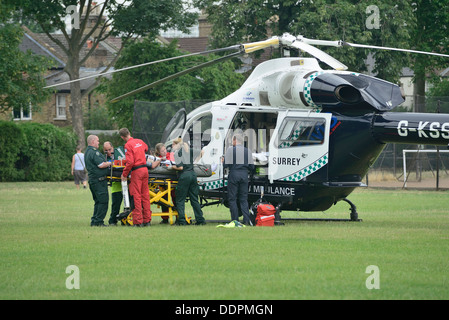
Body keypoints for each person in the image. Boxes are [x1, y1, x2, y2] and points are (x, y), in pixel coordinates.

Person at [119, 128, 151, 227]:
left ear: (122, 137)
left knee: (136, 196)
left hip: (137, 171)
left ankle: (138, 221)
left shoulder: (128, 145)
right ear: (129, 133)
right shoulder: (140, 141)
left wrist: (124, 174)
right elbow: (146, 148)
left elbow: (130, 162)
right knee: (145, 195)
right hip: (145, 170)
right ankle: (147, 220)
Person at [172, 138, 206, 226]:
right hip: (193, 175)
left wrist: (173, 167)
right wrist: (195, 162)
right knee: (194, 199)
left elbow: (180, 168)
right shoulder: (189, 150)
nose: (172, 146)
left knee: (180, 200)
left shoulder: (178, 153)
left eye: (173, 144)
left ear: (177, 144)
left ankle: (182, 221)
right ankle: (200, 220)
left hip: (184, 176)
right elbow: (202, 152)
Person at [223, 131, 254, 225]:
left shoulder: (230, 150)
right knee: (243, 199)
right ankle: (246, 220)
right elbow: (252, 167)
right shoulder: (247, 151)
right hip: (244, 176)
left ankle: (235, 220)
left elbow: (226, 165)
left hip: (234, 175)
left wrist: (223, 161)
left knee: (232, 199)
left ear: (235, 140)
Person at [85, 135, 112, 227]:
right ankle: (99, 221)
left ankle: (95, 220)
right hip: (99, 181)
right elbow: (101, 165)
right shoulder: (94, 152)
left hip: (93, 180)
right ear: (93, 142)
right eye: (97, 141)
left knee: (98, 201)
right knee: (103, 201)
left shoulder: (87, 151)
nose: (98, 142)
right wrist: (109, 163)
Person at [103, 141, 126, 226]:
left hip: (126, 183)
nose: (108, 152)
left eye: (109, 149)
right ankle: (112, 221)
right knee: (116, 204)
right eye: (106, 150)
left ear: (113, 147)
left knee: (128, 204)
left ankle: (126, 218)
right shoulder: (105, 158)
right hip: (116, 185)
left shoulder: (119, 152)